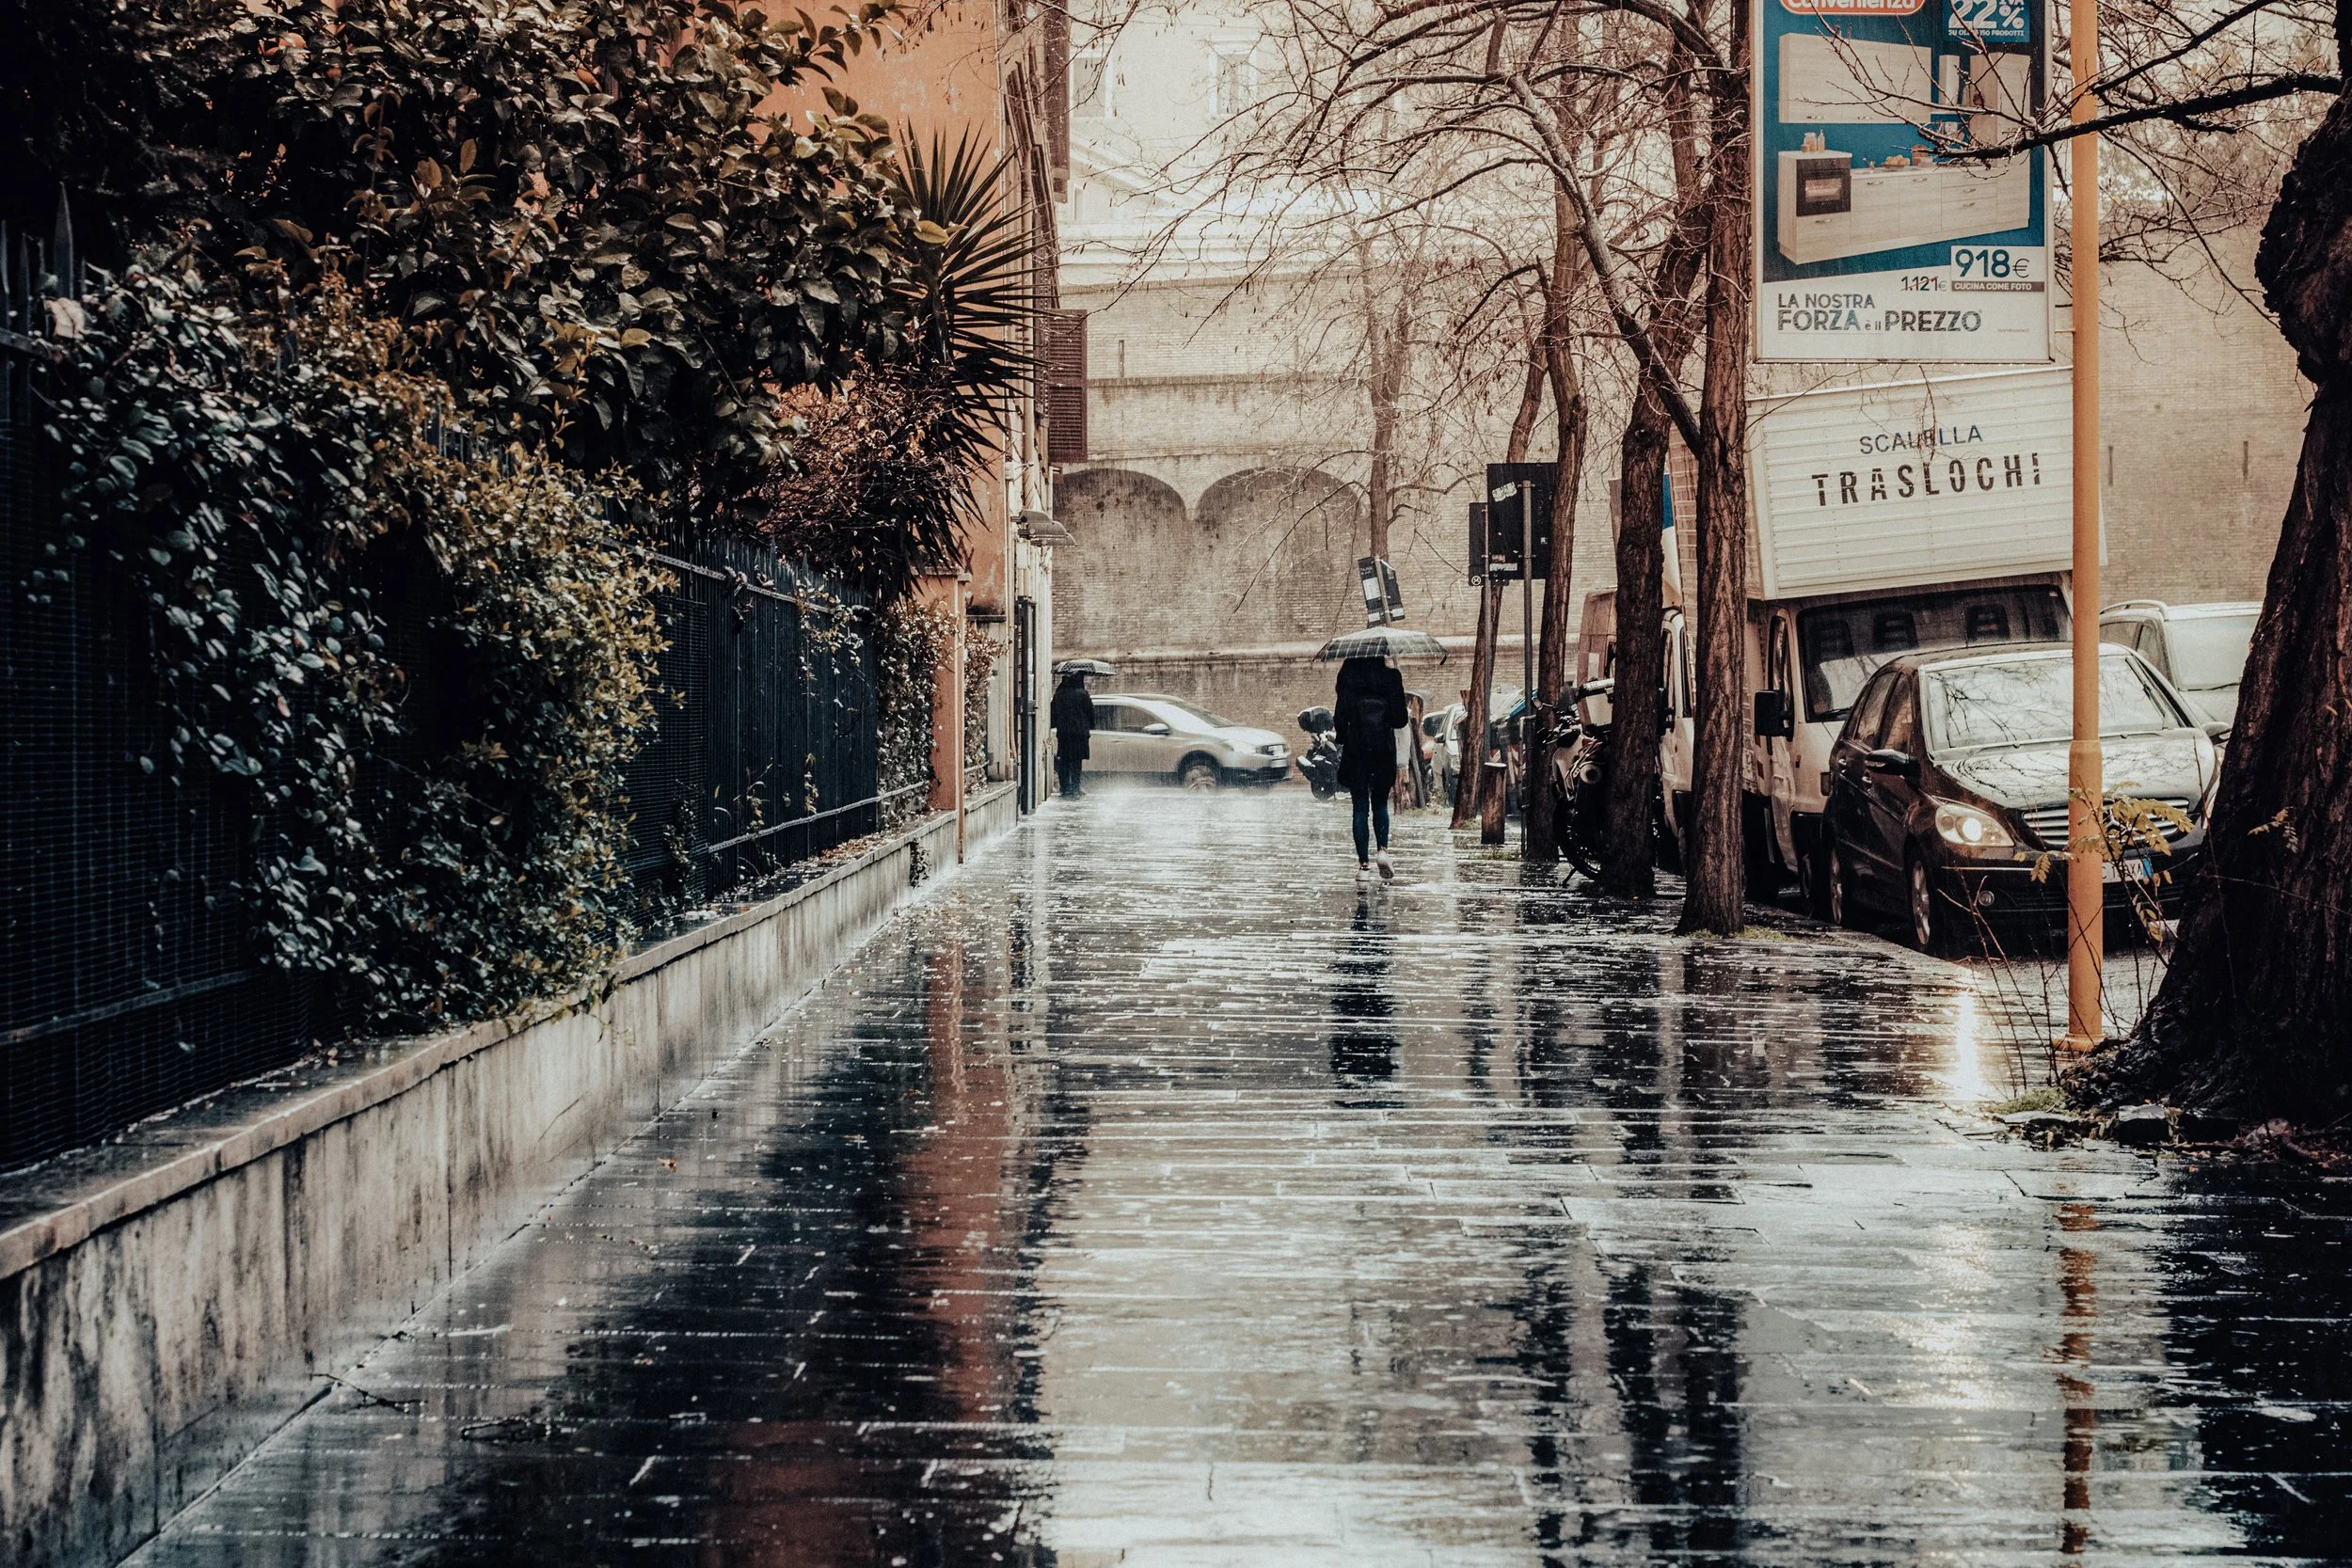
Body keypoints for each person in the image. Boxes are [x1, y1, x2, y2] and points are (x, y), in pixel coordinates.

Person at [1334, 654, 1407, 879]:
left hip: (1356, 750)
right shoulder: (1391, 677)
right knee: (1380, 803)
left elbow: (1339, 718)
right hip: (1383, 749)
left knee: (1359, 807)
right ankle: (1382, 851)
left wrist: (1346, 735)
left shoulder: (1348, 676)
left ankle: (1363, 866)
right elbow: (1400, 720)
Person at [1049, 670, 1095, 799]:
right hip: (1080, 734)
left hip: (1064, 733)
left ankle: (1065, 787)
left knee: (1064, 760)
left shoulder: (1059, 694)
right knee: (1077, 761)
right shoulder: (1083, 694)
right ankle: (1075, 787)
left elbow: (1053, 713)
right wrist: (1089, 725)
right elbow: (1091, 713)